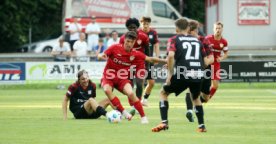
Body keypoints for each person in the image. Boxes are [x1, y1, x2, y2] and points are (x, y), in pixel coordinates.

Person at [151, 18, 211, 133]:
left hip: (182, 72)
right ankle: (201, 126)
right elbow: (205, 62)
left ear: (176, 29)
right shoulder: (197, 41)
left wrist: (170, 74)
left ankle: (164, 122)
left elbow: (171, 56)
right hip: (198, 73)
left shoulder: (174, 39)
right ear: (188, 28)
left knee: (163, 92)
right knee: (196, 98)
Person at [98, 31, 166, 124]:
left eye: (131, 42)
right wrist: (100, 56)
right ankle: (124, 112)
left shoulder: (136, 53)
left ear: (134, 43)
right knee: (107, 90)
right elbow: (102, 55)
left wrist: (166, 61)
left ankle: (143, 117)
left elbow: (150, 59)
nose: (129, 44)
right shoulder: (114, 48)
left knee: (131, 93)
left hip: (122, 78)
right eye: (127, 41)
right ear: (124, 40)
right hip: (108, 76)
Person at [185, 20, 214, 122]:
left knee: (206, 97)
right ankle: (189, 111)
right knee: (190, 89)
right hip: (192, 69)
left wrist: (204, 64)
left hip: (205, 70)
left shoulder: (203, 40)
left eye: (189, 32)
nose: (187, 34)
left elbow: (212, 58)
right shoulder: (185, 41)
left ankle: (194, 105)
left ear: (195, 31)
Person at [119, 18, 149, 114]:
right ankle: (132, 104)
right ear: (127, 28)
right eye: (130, 28)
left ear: (137, 27)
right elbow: (120, 52)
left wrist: (148, 66)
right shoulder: (123, 39)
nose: (132, 30)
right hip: (128, 64)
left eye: (134, 28)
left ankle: (138, 103)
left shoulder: (143, 37)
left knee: (140, 84)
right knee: (129, 85)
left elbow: (148, 52)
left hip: (140, 63)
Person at [138, 16, 160, 106]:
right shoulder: (138, 33)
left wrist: (157, 57)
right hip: (140, 60)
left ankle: (144, 99)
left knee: (151, 83)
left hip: (150, 60)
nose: (145, 26)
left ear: (149, 24)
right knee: (141, 81)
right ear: (141, 24)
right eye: (144, 24)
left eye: (147, 24)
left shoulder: (153, 33)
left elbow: (156, 44)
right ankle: (138, 102)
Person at [205, 21, 229, 100]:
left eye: (219, 28)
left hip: (216, 65)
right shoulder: (208, 39)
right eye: (216, 28)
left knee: (215, 86)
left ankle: (207, 99)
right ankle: (199, 99)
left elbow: (226, 53)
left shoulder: (224, 42)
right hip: (207, 64)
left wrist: (221, 58)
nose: (218, 30)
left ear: (222, 29)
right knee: (204, 84)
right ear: (213, 29)